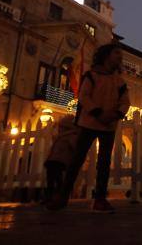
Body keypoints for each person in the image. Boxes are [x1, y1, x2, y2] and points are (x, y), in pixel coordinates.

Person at [48, 43, 130, 213]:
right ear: (107, 55)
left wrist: (115, 114)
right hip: (90, 123)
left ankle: (100, 199)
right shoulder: (91, 76)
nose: (120, 57)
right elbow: (84, 96)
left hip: (108, 125)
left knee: (104, 162)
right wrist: (98, 113)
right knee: (77, 160)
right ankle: (63, 196)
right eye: (117, 53)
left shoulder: (120, 81)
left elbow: (125, 102)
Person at [43, 115, 79, 204]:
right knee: (51, 179)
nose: (59, 129)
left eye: (61, 127)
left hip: (60, 160)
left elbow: (74, 146)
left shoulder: (71, 136)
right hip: (54, 159)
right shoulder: (60, 136)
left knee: (57, 178)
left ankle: (59, 195)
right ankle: (50, 196)